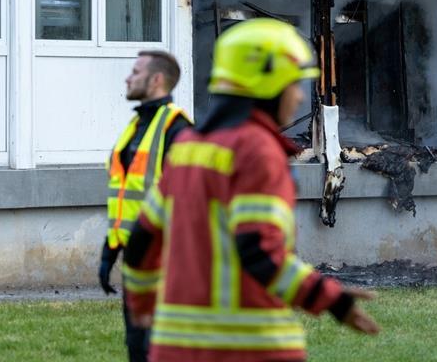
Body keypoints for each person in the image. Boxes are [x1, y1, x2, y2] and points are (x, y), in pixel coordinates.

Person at [122, 18, 379, 362]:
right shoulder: (256, 151)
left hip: (173, 349)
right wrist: (327, 296)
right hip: (250, 350)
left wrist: (141, 307)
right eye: (295, 83)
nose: (300, 94)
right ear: (268, 82)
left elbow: (141, 241)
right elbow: (257, 250)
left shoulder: (187, 149)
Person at [100, 50, 192, 362]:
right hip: (136, 260)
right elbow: (125, 195)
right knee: (137, 348)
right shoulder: (135, 128)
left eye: (135, 72)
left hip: (166, 262)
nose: (128, 77)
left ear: (156, 80)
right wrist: (109, 249)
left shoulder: (178, 131)